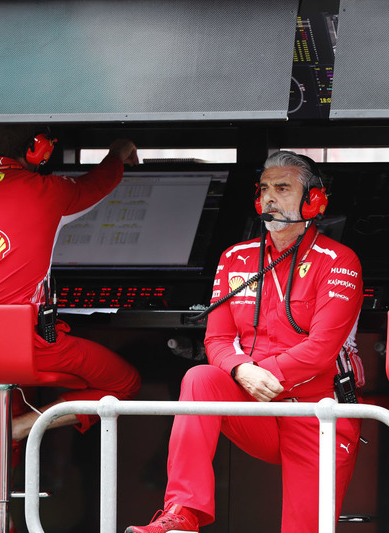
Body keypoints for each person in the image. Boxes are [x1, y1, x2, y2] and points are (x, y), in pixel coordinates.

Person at [126, 151, 364, 533]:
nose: (270, 198)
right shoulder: (234, 258)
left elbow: (321, 350)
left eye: (283, 188)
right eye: (264, 189)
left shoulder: (339, 261)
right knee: (199, 378)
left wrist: (258, 374)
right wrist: (241, 371)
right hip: (254, 403)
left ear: (314, 200)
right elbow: (217, 337)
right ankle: (182, 514)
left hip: (316, 411)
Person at [0, 124, 142, 528]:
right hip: (27, 344)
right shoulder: (52, 191)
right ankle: (8, 429)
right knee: (126, 386)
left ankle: (1, 516)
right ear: (39, 149)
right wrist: (117, 154)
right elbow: (99, 183)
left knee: (14, 389)